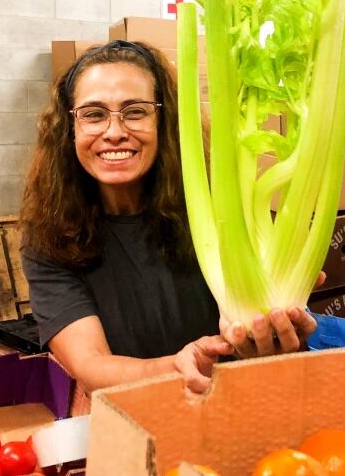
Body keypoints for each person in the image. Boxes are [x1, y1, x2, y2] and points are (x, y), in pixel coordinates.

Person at [19, 40, 319, 397]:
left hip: (241, 404)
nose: (114, 131)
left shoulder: (223, 215)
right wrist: (177, 366)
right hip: (133, 422)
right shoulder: (51, 236)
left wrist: (271, 322)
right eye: (94, 114)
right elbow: (90, 364)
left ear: (166, 122)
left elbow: (268, 326)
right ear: (69, 128)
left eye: (135, 112)